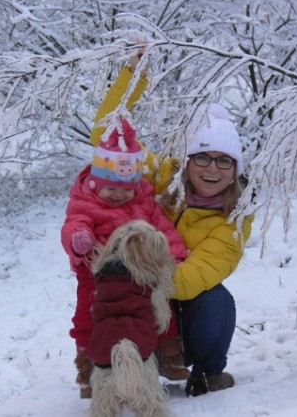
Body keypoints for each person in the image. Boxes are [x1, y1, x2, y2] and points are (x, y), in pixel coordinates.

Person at [90, 43, 254, 396]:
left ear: (235, 169)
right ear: (187, 160)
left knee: (217, 299)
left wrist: (139, 277)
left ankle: (207, 370)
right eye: (203, 158)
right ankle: (107, 365)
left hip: (176, 296)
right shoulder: (164, 177)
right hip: (135, 289)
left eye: (223, 161)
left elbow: (194, 277)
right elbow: (108, 139)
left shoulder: (234, 220)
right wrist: (133, 78)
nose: (212, 168)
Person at [61, 116, 190, 399]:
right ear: (95, 184)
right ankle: (88, 366)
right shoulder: (86, 202)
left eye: (126, 189)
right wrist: (79, 240)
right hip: (96, 269)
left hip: (140, 269)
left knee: (160, 306)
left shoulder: (143, 202)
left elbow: (164, 231)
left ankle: (168, 354)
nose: (119, 195)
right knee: (88, 314)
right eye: (112, 188)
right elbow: (74, 224)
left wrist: (175, 257)